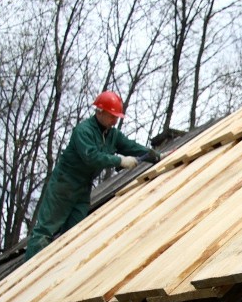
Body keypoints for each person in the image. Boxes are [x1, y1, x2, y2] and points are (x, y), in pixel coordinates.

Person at [24, 90, 160, 260]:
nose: (115, 120)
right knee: (45, 230)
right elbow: (91, 157)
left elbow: (129, 146)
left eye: (116, 117)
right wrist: (120, 161)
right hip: (64, 185)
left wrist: (152, 154)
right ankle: (31, 268)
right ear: (100, 111)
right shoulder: (84, 131)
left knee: (74, 233)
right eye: (112, 116)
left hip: (83, 187)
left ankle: (60, 269)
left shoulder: (112, 134)